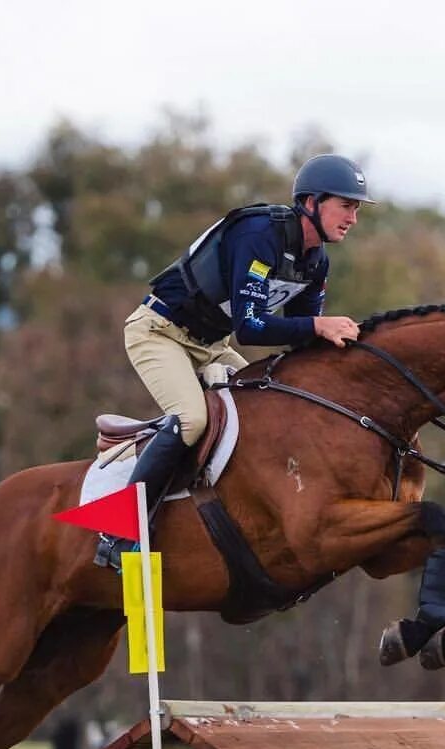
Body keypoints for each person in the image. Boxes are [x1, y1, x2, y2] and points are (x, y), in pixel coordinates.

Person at [95, 153, 374, 568]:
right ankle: (118, 530)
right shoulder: (260, 235)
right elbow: (253, 329)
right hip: (159, 333)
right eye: (346, 205)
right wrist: (318, 327)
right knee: (192, 419)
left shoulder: (316, 262)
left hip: (209, 344)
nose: (353, 217)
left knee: (267, 406)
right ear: (312, 203)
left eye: (356, 208)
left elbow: (300, 336)